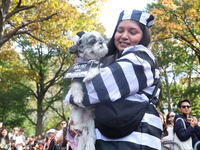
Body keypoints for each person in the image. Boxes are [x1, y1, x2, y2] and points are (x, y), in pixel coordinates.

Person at [65, 9, 162, 150]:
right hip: (108, 139)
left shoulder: (141, 59)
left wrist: (72, 94)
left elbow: (95, 90)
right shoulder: (111, 61)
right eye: (120, 30)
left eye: (133, 32)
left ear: (143, 37)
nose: (124, 36)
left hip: (133, 140)